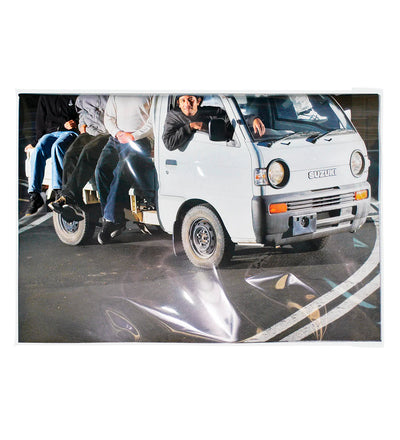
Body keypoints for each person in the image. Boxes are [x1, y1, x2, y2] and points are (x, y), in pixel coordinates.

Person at [95, 95, 154, 244]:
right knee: (101, 169)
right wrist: (118, 133)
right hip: (116, 139)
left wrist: (133, 136)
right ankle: (113, 219)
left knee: (121, 171)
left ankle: (111, 220)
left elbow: (153, 121)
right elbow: (109, 117)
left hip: (139, 140)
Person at [49, 95, 110, 221]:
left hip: (108, 133)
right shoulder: (84, 95)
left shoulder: (112, 95)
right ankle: (70, 202)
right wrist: (82, 125)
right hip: (89, 131)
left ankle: (68, 197)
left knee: (88, 151)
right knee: (70, 154)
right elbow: (82, 111)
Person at [25, 94, 79, 216]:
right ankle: (35, 195)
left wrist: (75, 122)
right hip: (50, 134)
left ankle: (59, 191)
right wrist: (35, 143)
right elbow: (40, 122)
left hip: (68, 133)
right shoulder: (45, 97)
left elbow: (82, 114)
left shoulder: (73, 95)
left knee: (57, 146)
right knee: (38, 150)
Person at [162, 95, 266, 151]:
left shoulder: (211, 112)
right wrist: (191, 127)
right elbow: (169, 144)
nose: (187, 104)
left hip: (216, 151)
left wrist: (253, 119)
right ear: (179, 104)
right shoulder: (173, 116)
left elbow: (232, 119)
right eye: (183, 100)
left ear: (198, 101)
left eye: (190, 99)